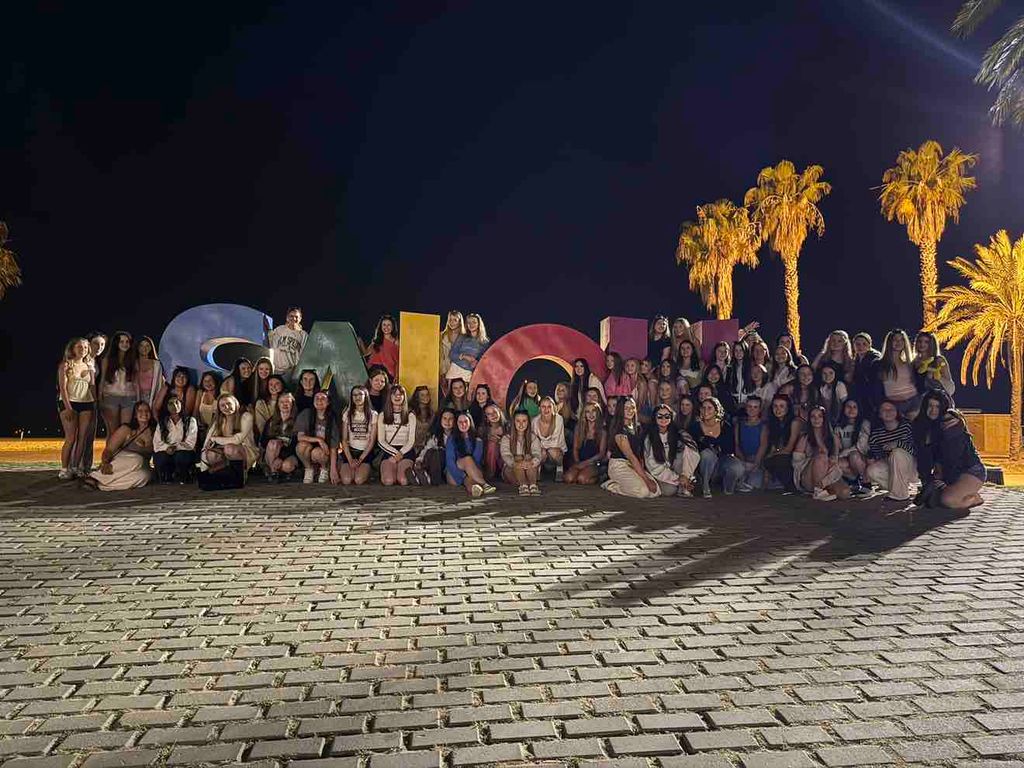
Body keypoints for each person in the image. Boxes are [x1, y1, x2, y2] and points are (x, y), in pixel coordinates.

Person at [914, 394, 985, 510]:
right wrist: (929, 481)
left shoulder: (953, 427)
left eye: (937, 407)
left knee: (948, 501)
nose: (933, 410)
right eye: (930, 406)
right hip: (948, 472)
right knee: (934, 501)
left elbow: (954, 460)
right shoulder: (928, 427)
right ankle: (956, 492)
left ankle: (975, 498)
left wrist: (944, 482)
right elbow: (926, 459)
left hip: (970, 470)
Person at [82, 401, 154, 491]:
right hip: (122, 460)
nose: (144, 413)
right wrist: (105, 463)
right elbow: (109, 449)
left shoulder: (154, 431)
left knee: (144, 476)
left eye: (147, 411)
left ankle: (102, 485)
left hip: (141, 465)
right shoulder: (126, 429)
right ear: (135, 415)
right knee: (137, 460)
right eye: (140, 411)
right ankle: (95, 476)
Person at [602, 396, 660, 498]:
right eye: (626, 408)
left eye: (632, 407)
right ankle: (612, 485)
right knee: (642, 492)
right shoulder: (620, 432)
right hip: (619, 465)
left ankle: (628, 485)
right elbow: (631, 456)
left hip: (632, 464)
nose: (630, 411)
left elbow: (638, 452)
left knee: (656, 492)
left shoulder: (637, 427)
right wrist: (646, 479)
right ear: (620, 410)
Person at [793, 405, 850, 501]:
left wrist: (831, 461)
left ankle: (824, 488)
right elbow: (796, 463)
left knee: (845, 492)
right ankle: (818, 490)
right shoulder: (805, 438)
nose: (816, 419)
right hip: (808, 476)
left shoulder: (833, 438)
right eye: (813, 416)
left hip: (828, 474)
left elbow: (835, 461)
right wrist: (813, 460)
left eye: (820, 416)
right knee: (821, 458)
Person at [57, 338, 95, 479]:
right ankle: (64, 469)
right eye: (79, 346)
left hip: (86, 403)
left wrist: (95, 401)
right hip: (69, 403)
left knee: (82, 437)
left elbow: (92, 385)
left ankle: (76, 467)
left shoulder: (89, 365)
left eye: (85, 347)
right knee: (71, 438)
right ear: (72, 348)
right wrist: (68, 408)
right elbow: (62, 388)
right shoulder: (66, 365)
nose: (82, 349)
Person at [865, 399, 917, 502]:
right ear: (879, 414)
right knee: (872, 470)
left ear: (897, 412)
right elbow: (878, 455)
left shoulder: (906, 426)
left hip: (912, 466)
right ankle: (901, 488)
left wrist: (897, 444)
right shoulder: (876, 434)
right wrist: (872, 457)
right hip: (892, 466)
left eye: (891, 409)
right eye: (884, 410)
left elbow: (916, 450)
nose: (888, 412)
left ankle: (900, 495)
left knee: (897, 453)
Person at [693, 396, 742, 498]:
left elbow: (729, 448)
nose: (706, 411)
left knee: (737, 466)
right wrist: (713, 445)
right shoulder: (695, 427)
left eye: (709, 408)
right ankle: (705, 487)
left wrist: (708, 441)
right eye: (703, 408)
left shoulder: (726, 426)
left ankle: (728, 490)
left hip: (721, 462)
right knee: (707, 454)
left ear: (716, 410)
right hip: (702, 465)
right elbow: (694, 446)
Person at [199, 394, 258, 478]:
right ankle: (221, 475)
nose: (226, 407)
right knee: (211, 453)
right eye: (222, 405)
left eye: (229, 403)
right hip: (223, 452)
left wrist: (215, 439)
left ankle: (240, 475)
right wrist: (203, 470)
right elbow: (206, 444)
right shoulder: (218, 420)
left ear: (235, 403)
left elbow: (237, 440)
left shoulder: (246, 416)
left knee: (229, 448)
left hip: (244, 451)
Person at [645, 404, 699, 497]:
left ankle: (685, 484)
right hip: (661, 472)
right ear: (654, 418)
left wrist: (685, 475)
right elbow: (652, 465)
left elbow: (693, 452)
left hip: (679, 469)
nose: (663, 419)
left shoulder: (680, 434)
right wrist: (677, 478)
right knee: (669, 490)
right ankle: (683, 484)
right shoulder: (649, 438)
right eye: (660, 416)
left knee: (682, 455)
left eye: (667, 416)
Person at [874, 329, 922, 420]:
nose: (898, 342)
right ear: (889, 342)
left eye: (901, 340)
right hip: (893, 404)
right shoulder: (879, 364)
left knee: (913, 428)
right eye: (895, 340)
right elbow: (876, 388)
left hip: (913, 401)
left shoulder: (909, 363)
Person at [98, 331, 138, 436]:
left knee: (125, 429)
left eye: (127, 342)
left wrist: (138, 398)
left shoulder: (133, 360)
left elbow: (136, 381)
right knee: (113, 431)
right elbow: (102, 379)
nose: (125, 344)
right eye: (122, 341)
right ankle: (111, 447)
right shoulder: (107, 360)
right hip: (111, 396)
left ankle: (122, 448)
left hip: (129, 397)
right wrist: (99, 398)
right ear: (116, 343)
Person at [296, 390, 340, 484]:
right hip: (310, 448)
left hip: (326, 452)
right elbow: (300, 437)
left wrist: (333, 469)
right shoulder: (306, 413)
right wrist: (319, 440)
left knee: (316, 453)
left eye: (323, 398)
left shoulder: (332, 418)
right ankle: (309, 469)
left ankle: (325, 469)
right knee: (301, 446)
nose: (319, 401)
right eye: (317, 398)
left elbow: (334, 447)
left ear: (328, 402)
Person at [446, 412, 495, 497]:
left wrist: (468, 476)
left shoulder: (477, 440)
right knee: (467, 459)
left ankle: (475, 489)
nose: (463, 424)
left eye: (466, 421)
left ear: (470, 422)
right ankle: (484, 484)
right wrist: (463, 476)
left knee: (470, 480)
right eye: (460, 422)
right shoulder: (451, 439)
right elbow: (450, 462)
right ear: (456, 424)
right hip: (454, 473)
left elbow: (477, 462)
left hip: (472, 473)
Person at [77, 332, 107, 473]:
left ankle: (86, 466)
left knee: (90, 435)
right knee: (79, 436)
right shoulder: (81, 360)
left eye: (102, 344)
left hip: (91, 401)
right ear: (88, 343)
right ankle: (74, 465)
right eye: (96, 343)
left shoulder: (97, 361)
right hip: (80, 400)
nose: (99, 347)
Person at [376, 384, 418, 486]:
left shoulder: (410, 415)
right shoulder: (382, 415)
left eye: (400, 394)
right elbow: (381, 441)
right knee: (389, 481)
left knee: (403, 480)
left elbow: (411, 441)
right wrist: (395, 454)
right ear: (389, 396)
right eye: (394, 394)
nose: (397, 396)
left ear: (404, 397)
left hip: (406, 451)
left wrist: (401, 453)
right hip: (389, 450)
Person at [152, 393, 198, 484]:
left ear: (181, 404)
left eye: (177, 402)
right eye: (170, 403)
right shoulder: (162, 423)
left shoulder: (190, 421)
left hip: (183, 451)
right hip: (166, 450)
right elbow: (157, 443)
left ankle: (184, 477)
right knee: (161, 457)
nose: (174, 406)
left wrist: (175, 447)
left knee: (181, 456)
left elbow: (191, 443)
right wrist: (167, 448)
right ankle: (166, 478)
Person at [340, 386, 378, 486]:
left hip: (365, 452)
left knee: (358, 480)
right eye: (354, 395)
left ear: (366, 396)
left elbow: (372, 441)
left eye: (360, 394)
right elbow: (344, 439)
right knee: (346, 480)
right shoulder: (347, 413)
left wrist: (360, 459)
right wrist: (350, 460)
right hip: (351, 451)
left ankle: (368, 469)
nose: (357, 397)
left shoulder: (373, 414)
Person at [764, 394, 802, 492]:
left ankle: (793, 486)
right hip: (781, 453)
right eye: (775, 406)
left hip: (795, 455)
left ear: (788, 408)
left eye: (781, 406)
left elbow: (789, 448)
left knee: (779, 460)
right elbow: (773, 447)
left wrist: (774, 454)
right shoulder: (773, 423)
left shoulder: (795, 422)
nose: (778, 409)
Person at [501, 409, 543, 496]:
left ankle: (533, 485)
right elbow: (505, 455)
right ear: (514, 422)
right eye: (518, 421)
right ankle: (523, 485)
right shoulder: (507, 438)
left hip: (530, 469)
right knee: (519, 459)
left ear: (528, 423)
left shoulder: (533, 438)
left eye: (524, 421)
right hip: (512, 470)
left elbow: (537, 454)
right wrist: (515, 463)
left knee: (529, 459)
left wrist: (531, 462)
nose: (521, 424)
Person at [564, 402, 607, 485]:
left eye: (593, 411)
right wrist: (577, 462)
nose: (591, 414)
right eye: (587, 412)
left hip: (593, 463)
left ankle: (600, 477)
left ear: (598, 413)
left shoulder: (602, 431)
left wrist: (586, 463)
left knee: (582, 479)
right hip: (580, 461)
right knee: (568, 478)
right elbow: (575, 448)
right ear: (584, 414)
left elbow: (601, 454)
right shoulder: (579, 428)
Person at [261, 392, 299, 482]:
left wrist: (281, 457)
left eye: (287, 402)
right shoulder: (271, 421)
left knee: (287, 466)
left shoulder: (298, 420)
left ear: (292, 404)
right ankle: (274, 472)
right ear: (278, 404)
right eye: (282, 402)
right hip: (271, 454)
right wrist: (276, 452)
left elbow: (296, 445)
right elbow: (263, 442)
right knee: (273, 443)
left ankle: (282, 472)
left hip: (289, 454)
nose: (284, 404)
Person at [835, 398, 871, 494]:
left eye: (855, 407)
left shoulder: (864, 424)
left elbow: (861, 446)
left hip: (862, 458)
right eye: (848, 407)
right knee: (836, 463)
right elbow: (837, 447)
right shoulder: (839, 427)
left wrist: (844, 453)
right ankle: (854, 481)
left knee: (854, 455)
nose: (851, 409)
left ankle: (866, 482)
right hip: (846, 458)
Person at [734, 396, 768, 492]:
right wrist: (743, 460)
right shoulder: (739, 424)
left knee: (754, 484)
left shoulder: (763, 426)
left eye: (755, 407)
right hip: (742, 459)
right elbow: (736, 444)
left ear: (760, 409)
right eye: (749, 406)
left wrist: (756, 463)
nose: (752, 409)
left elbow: (763, 446)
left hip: (756, 461)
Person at [447, 312, 490, 384]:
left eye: (474, 322)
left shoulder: (485, 342)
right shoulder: (462, 337)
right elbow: (451, 354)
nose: (471, 325)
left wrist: (476, 362)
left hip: (469, 373)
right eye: (469, 322)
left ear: (479, 324)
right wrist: (465, 356)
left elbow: (483, 359)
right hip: (455, 370)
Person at [268, 307, 308, 380]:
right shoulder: (279, 329)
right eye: (291, 316)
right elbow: (272, 344)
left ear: (300, 319)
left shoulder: (303, 334)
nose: (294, 319)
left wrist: (297, 368)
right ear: (287, 318)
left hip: (291, 371)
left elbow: (303, 353)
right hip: (276, 369)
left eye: (296, 317)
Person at [533, 396, 567, 481]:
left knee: (552, 451)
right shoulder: (535, 421)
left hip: (556, 451)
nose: (546, 409)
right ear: (539, 408)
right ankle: (538, 470)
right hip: (542, 452)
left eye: (549, 407)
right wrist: (542, 450)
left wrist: (542, 445)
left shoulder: (559, 419)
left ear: (553, 408)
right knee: (540, 452)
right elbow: (534, 442)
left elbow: (556, 443)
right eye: (543, 407)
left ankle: (559, 468)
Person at [914, 331, 956, 399]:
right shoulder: (914, 361)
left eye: (926, 342)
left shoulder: (939, 360)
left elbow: (950, 385)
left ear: (931, 344)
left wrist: (936, 376)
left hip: (938, 398)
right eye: (920, 341)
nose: (922, 344)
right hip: (919, 399)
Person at [851, 332, 882, 411]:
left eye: (864, 344)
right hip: (862, 395)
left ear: (869, 345)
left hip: (873, 396)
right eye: (858, 344)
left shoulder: (874, 359)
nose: (861, 347)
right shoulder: (856, 359)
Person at [364, 314, 400, 379]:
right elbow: (365, 353)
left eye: (389, 325)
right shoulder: (376, 340)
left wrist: (397, 376)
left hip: (388, 373)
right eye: (384, 325)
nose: (386, 327)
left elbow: (398, 361)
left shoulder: (396, 343)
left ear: (393, 327)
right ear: (381, 326)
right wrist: (360, 343)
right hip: (373, 370)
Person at [478, 403, 507, 483]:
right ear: (486, 418)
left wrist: (501, 442)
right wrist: (487, 439)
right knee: (492, 444)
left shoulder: (508, 427)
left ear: (499, 412)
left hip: (504, 459)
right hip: (489, 460)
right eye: (489, 414)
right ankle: (489, 473)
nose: (493, 415)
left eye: (494, 412)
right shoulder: (482, 430)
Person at [193, 371, 222, 448]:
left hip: (214, 427)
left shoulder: (220, 394)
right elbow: (195, 410)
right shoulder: (200, 393)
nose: (207, 383)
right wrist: (197, 424)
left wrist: (209, 429)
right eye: (205, 381)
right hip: (201, 425)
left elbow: (218, 416)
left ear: (215, 381)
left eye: (210, 380)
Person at [135, 336, 163, 407]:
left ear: (151, 348)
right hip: (134, 397)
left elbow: (160, 384)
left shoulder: (157, 364)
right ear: (137, 347)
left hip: (152, 397)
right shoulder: (133, 363)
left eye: (147, 346)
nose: (144, 348)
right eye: (141, 345)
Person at [440, 311, 466, 387]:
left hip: (460, 371)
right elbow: (441, 356)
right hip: (446, 370)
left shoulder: (465, 337)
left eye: (455, 320)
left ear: (460, 322)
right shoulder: (442, 336)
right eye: (450, 320)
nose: (452, 322)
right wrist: (442, 373)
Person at [411, 385, 435, 454]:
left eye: (427, 394)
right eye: (422, 395)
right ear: (417, 397)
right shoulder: (411, 413)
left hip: (426, 447)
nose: (425, 397)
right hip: (412, 447)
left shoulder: (432, 413)